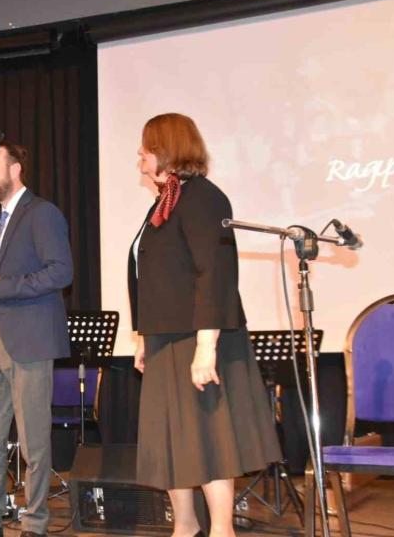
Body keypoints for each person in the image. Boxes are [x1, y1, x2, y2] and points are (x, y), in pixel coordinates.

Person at [128, 113, 282, 537]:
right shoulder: (166, 200)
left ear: (166, 149)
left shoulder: (203, 198)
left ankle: (221, 530)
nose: (139, 155)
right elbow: (157, 276)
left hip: (200, 336)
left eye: (146, 147)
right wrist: (143, 336)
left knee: (207, 440)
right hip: (165, 338)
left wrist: (206, 347)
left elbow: (213, 274)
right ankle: (185, 528)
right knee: (173, 442)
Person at [0, 142, 73, 537]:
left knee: (33, 440)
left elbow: (60, 271)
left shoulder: (42, 213)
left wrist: (3, 286)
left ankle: (35, 521)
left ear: (15, 169)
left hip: (29, 338)